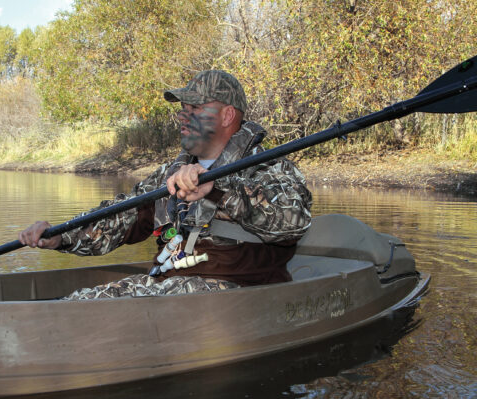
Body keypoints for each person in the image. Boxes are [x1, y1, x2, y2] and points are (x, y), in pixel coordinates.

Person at [19, 70, 312, 300]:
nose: (182, 116)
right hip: (167, 286)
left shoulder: (270, 167)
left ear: (227, 115)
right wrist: (61, 236)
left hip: (238, 292)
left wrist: (218, 193)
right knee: (80, 302)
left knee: (85, 312)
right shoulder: (167, 175)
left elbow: (292, 225)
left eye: (195, 108)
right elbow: (119, 218)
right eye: (182, 108)